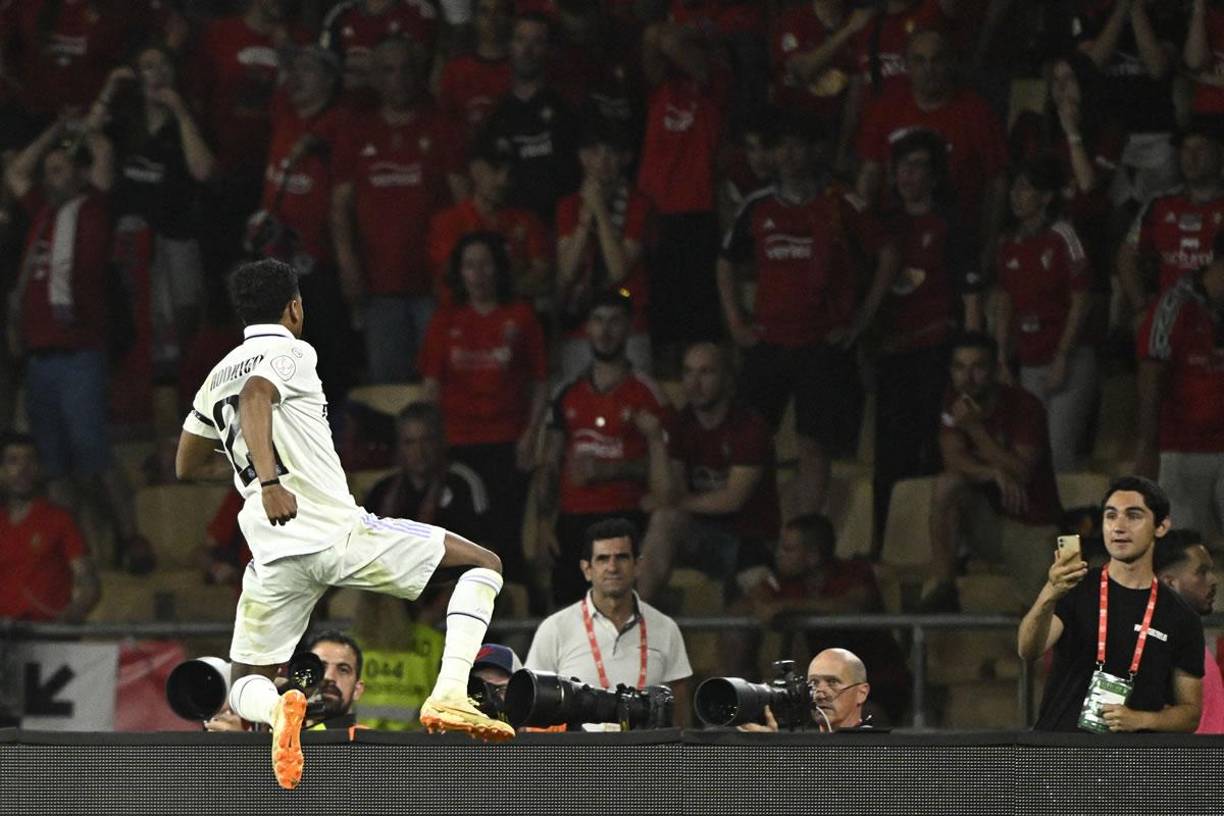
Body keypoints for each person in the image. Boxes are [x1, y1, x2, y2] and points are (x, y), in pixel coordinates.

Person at [175, 259, 515, 790]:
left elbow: (186, 465)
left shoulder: (215, 375)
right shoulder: (289, 349)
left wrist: (247, 474)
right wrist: (268, 482)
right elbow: (256, 397)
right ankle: (450, 691)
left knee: (244, 683)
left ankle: (280, 711)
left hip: (274, 557)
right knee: (483, 565)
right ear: (294, 307)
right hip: (337, 535)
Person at [718, 114, 896, 518]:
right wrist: (735, 321)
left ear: (814, 150)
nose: (790, 155)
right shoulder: (758, 205)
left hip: (821, 344)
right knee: (749, 440)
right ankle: (754, 523)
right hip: (769, 342)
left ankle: (806, 529)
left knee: (813, 444)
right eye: (782, 146)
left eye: (798, 145)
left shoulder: (841, 202)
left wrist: (862, 320)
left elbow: (888, 254)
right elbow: (725, 260)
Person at [4, 115, 155, 574]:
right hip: (40, 357)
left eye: (60, 170)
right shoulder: (43, 216)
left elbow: (105, 156)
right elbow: (16, 173)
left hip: (79, 353)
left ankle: (130, 537)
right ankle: (76, 552)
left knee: (94, 454)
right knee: (54, 465)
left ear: (80, 174)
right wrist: (52, 131)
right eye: (49, 173)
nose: (50, 178)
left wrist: (83, 128)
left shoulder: (93, 209)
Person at [1019, 476, 1204, 733]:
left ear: (1161, 526)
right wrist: (1049, 594)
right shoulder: (1075, 588)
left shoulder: (1182, 617)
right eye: (1111, 516)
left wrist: (1141, 720)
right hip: (1060, 753)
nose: (1119, 526)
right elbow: (1028, 649)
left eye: (1133, 516)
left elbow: (1191, 713)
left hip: (1129, 763)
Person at [331, 35, 465, 383]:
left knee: (439, 379)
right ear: (375, 77)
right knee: (388, 382)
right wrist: (348, 264)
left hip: (435, 282)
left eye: (406, 69)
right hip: (379, 283)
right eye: (388, 70)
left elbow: (463, 201)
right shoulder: (357, 130)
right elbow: (340, 206)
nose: (399, 78)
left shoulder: (440, 127)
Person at [872, 128, 982, 547]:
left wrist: (969, 364)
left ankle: (941, 543)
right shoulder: (882, 224)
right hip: (892, 355)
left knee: (938, 451)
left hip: (937, 353)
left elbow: (971, 295)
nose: (908, 176)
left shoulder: (951, 223)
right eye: (902, 166)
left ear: (934, 175)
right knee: (890, 456)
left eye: (918, 166)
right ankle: (885, 541)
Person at [419, 232, 549, 584]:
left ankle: (514, 602)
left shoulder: (521, 316)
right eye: (469, 265)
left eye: (485, 264)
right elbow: (431, 388)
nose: (478, 273)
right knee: (461, 531)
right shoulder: (445, 320)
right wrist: (434, 444)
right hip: (458, 444)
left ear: (499, 268)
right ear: (459, 272)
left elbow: (539, 383)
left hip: (509, 442)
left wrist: (531, 436)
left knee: (508, 531)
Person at [535, 289, 671, 606]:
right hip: (573, 518)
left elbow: (667, 471)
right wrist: (543, 522)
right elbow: (551, 463)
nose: (605, 330)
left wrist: (610, 469)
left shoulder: (649, 393)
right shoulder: (566, 393)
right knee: (567, 613)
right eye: (597, 320)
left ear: (628, 328)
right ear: (586, 329)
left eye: (614, 321)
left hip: (626, 514)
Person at [923, 332, 1063, 611]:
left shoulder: (1025, 406)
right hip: (986, 521)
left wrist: (974, 428)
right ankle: (945, 587)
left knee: (1042, 619)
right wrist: (993, 474)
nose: (968, 377)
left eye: (977, 367)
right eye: (960, 368)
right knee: (947, 484)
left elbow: (1021, 472)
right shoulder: (953, 402)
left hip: (1032, 521)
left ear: (995, 370)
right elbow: (953, 459)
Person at [636, 341, 778, 605]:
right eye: (688, 372)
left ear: (727, 378)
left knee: (739, 634)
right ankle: (633, 616)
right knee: (663, 520)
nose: (694, 383)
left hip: (750, 540)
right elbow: (668, 492)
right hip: (703, 535)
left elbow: (732, 499)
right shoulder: (681, 423)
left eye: (706, 372)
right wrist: (656, 440)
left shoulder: (749, 427)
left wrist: (673, 502)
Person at [855, 28, 1008, 272]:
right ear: (907, 66)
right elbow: (869, 174)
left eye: (937, 60)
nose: (929, 69)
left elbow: (997, 184)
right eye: (919, 61)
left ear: (951, 63)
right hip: (893, 239)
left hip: (955, 243)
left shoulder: (976, 111)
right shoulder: (885, 108)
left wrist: (989, 246)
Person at [525, 518, 692, 726]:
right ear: (587, 569)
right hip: (578, 755)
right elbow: (533, 705)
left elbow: (681, 714)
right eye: (603, 559)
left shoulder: (666, 628)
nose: (612, 567)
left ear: (637, 565)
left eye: (621, 557)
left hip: (646, 754)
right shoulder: (555, 628)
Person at [993, 159, 1096, 473]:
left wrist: (1063, 356)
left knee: (1059, 454)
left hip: (1068, 358)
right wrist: (1001, 358)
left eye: (1025, 188)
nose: (1015, 195)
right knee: (1029, 453)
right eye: (1014, 187)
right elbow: (1005, 304)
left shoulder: (1063, 235)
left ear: (1047, 196)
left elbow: (1082, 298)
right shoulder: (1008, 243)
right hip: (1028, 361)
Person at [1135, 239, 1224, 542]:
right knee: (1185, 552)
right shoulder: (1175, 303)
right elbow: (1151, 371)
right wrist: (1148, 445)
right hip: (1182, 448)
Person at [555, 116, 653, 379]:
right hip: (581, 324)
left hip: (629, 325)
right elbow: (566, 270)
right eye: (594, 151)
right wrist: (585, 220)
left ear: (625, 158)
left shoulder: (639, 205)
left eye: (611, 152)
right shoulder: (568, 206)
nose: (602, 161)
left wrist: (599, 209)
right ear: (582, 156)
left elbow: (619, 268)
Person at [426, 134, 551, 304]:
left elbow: (543, 276)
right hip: (462, 323)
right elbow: (454, 278)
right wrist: (514, 275)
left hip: (514, 322)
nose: (503, 180)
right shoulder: (448, 222)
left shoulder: (526, 220)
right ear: (475, 170)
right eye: (495, 169)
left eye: (509, 171)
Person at [480, 12, 581, 223]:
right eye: (521, 40)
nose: (527, 50)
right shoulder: (495, 114)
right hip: (515, 233)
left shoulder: (567, 110)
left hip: (562, 228)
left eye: (537, 42)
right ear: (510, 46)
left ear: (549, 50)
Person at [1118, 123, 1224, 320]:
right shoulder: (1160, 205)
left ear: (1219, 153)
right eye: (1185, 149)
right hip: (1167, 322)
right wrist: (1141, 308)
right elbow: (1126, 256)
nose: (1191, 157)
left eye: (1200, 149)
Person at [0, 432, 100, 623]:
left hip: (48, 635)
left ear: (39, 469)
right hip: (5, 640)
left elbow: (88, 580)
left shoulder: (58, 519)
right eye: (13, 461)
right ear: (1, 470)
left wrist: (76, 609)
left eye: (30, 460)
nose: (23, 469)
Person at [364, 402, 490, 545]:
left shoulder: (464, 483)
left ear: (441, 441)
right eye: (410, 442)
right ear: (399, 447)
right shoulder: (381, 490)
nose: (419, 451)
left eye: (427, 440)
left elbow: (485, 547)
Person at [1154, 529, 1224, 733]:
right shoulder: (1154, 644)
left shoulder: (1190, 638)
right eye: (1201, 572)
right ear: (1169, 583)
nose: (1213, 580)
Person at [737, 648, 873, 732]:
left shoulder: (879, 750)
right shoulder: (803, 743)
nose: (819, 694)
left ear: (862, 693)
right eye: (813, 682)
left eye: (832, 682)